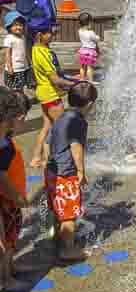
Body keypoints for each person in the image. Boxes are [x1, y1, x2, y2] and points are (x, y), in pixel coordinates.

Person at [44, 82, 98, 262]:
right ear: (90, 104)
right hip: (66, 173)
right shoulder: (78, 121)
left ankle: (57, 238)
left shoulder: (61, 117)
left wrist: (48, 162)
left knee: (57, 206)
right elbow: (76, 146)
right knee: (69, 213)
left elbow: (47, 141)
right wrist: (81, 171)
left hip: (52, 170)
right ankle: (67, 250)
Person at [0, 89, 30, 292]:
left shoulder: (4, 141)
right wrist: (17, 199)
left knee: (4, 244)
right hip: (7, 201)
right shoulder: (3, 144)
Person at [29, 27, 78, 167]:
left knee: (47, 127)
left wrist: (72, 79)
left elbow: (58, 73)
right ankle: (48, 160)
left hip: (44, 93)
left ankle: (36, 158)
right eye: (49, 32)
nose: (53, 34)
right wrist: (76, 85)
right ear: (40, 35)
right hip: (51, 96)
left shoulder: (37, 49)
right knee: (61, 129)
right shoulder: (42, 53)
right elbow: (56, 80)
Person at [3, 12, 28, 92]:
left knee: (21, 87)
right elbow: (7, 54)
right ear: (9, 26)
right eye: (15, 25)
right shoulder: (9, 38)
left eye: (20, 25)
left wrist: (28, 62)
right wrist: (10, 67)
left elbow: (24, 51)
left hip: (22, 67)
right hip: (13, 68)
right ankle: (12, 101)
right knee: (12, 88)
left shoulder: (23, 37)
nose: (18, 27)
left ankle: (20, 101)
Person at [77, 12, 100, 82]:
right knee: (89, 67)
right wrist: (98, 37)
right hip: (90, 52)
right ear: (89, 23)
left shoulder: (80, 31)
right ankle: (90, 81)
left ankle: (82, 79)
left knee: (82, 67)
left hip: (82, 51)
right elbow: (96, 39)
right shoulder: (91, 33)